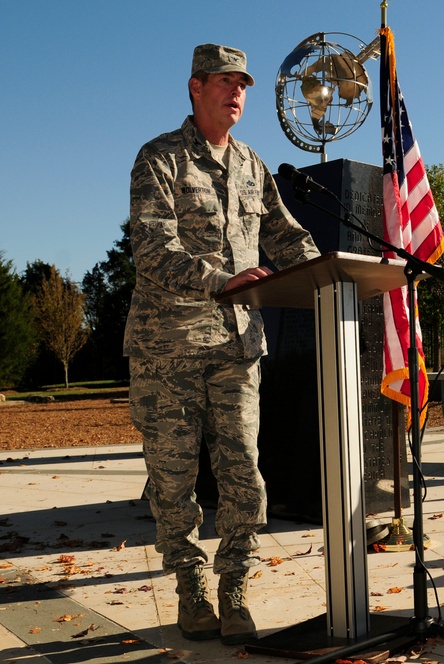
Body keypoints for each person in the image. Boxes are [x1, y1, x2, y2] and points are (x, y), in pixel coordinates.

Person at [124, 44, 321, 645]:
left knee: (244, 476)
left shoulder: (252, 165)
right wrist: (221, 281)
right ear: (195, 87)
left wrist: (331, 272)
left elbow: (286, 238)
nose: (237, 93)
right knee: (174, 480)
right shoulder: (159, 158)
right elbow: (153, 249)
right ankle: (190, 589)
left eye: (244, 85)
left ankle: (234, 588)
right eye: (225, 82)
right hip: (169, 348)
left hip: (238, 348)